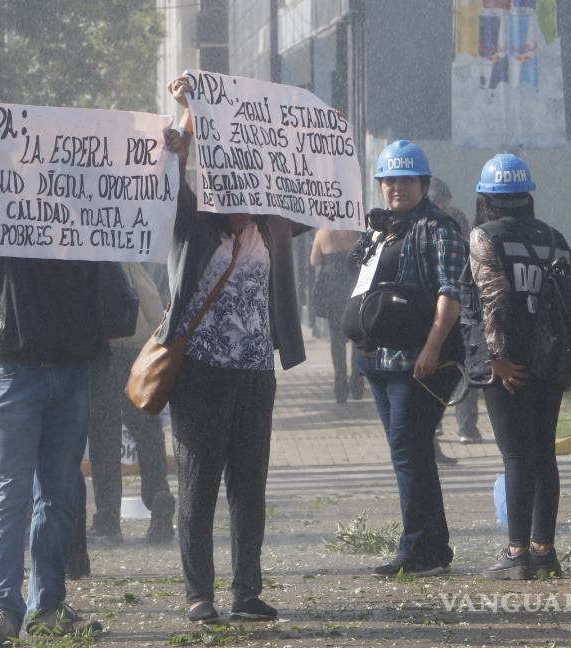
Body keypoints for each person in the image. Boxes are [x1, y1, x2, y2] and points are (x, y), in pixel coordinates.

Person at [0, 116, 106, 646]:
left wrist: (172, 153)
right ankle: (0, 607)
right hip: (13, 367)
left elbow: (142, 211)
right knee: (10, 491)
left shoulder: (85, 206)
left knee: (56, 493)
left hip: (71, 367)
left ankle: (47, 606)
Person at [163, 75, 309, 624]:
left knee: (249, 487)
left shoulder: (272, 228)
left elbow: (315, 192)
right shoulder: (195, 225)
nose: (247, 200)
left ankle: (247, 592)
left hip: (254, 374)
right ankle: (198, 594)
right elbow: (166, 187)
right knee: (199, 486)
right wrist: (190, 118)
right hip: (200, 373)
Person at [350, 140, 466, 578]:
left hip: (417, 365)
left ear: (423, 183)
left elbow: (450, 292)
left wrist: (433, 347)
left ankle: (419, 550)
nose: (395, 187)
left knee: (409, 451)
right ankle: (431, 549)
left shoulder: (439, 229)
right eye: (389, 180)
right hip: (379, 363)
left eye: (404, 180)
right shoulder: (381, 229)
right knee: (410, 453)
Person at [467, 154, 571, 580]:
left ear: (488, 198)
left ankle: (516, 553)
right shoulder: (554, 238)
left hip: (510, 367)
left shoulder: (484, 236)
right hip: (551, 364)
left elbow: (492, 300)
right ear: (525, 195)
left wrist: (496, 359)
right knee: (544, 455)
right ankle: (544, 550)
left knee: (516, 457)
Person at [86, 262, 175, 545]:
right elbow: (152, 305)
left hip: (102, 352)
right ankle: (158, 492)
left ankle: (108, 519)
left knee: (104, 437)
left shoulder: (92, 255)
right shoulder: (132, 262)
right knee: (146, 429)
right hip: (137, 352)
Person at [428, 178, 482, 445]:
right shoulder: (455, 219)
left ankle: (441, 423)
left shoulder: (425, 222)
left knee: (442, 367)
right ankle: (465, 426)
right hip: (459, 304)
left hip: (439, 307)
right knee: (463, 367)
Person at [310, 228, 365, 403]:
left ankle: (340, 387)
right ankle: (357, 383)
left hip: (332, 289)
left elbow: (315, 260)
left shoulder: (323, 233)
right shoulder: (356, 231)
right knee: (357, 336)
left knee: (337, 340)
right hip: (353, 286)